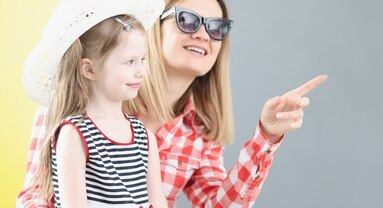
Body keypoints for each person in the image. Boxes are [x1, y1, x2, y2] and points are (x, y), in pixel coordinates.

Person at [18, 0, 328, 207]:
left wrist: (267, 136)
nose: (205, 34)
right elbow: (37, 196)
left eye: (217, 27)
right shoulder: (76, 101)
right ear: (154, 28)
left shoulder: (197, 135)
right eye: (189, 20)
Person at [19, 0, 168, 207]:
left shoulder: (144, 137)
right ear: (89, 69)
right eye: (129, 62)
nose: (141, 71)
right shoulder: (75, 135)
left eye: (143, 60)